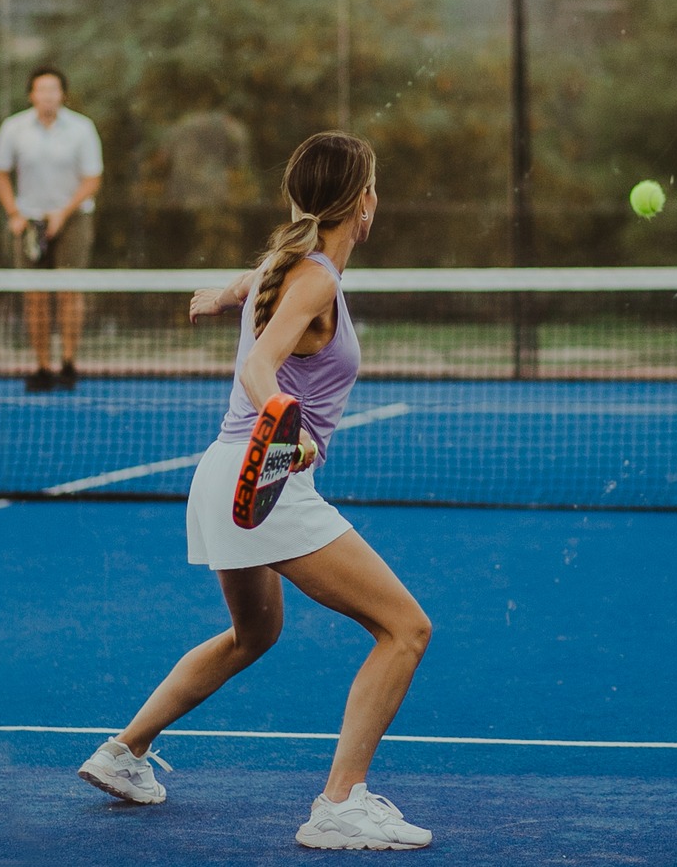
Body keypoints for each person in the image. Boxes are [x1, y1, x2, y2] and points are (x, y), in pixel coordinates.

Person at [76, 131, 435, 852]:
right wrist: (284, 423)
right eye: (375, 187)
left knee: (255, 634)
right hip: (266, 473)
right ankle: (340, 805)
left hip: (223, 474)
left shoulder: (286, 265)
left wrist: (221, 296)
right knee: (405, 629)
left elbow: (254, 282)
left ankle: (123, 752)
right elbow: (259, 367)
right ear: (363, 203)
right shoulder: (316, 280)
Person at [0, 66, 103, 392]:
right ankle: (42, 366)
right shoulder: (13, 128)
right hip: (29, 222)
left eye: (53, 90)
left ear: (62, 95)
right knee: (35, 297)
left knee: (70, 292)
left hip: (74, 220)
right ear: (32, 95)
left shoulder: (82, 129)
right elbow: (0, 174)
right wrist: (15, 214)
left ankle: (68, 363)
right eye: (41, 90)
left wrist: (62, 214)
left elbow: (92, 179)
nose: (47, 96)